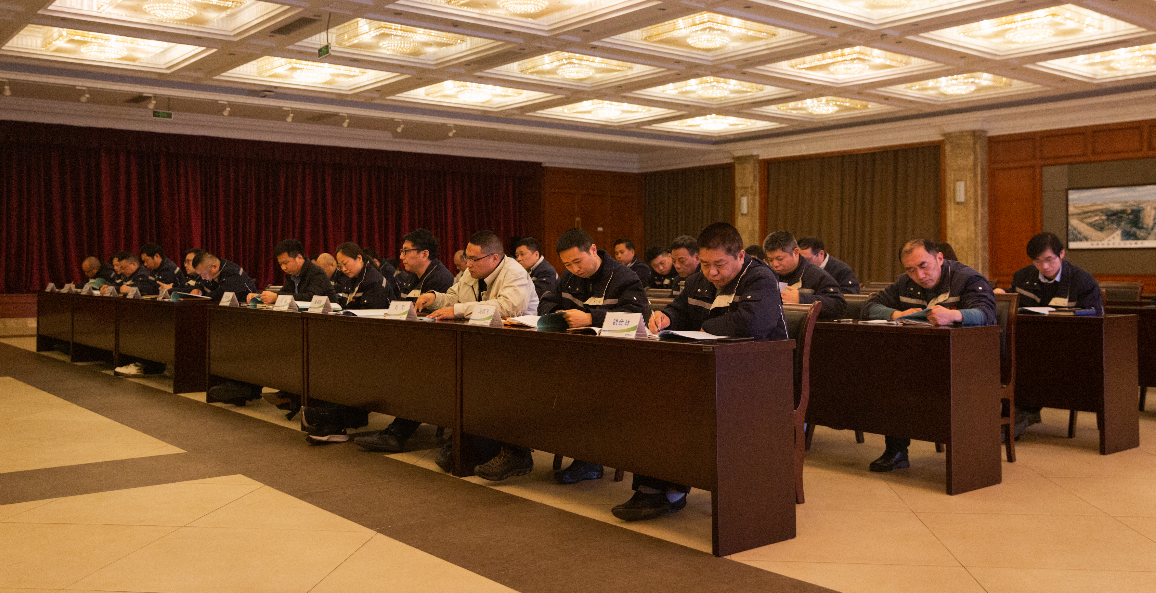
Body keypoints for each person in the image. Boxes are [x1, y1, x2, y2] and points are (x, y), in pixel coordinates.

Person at [629, 222, 787, 521]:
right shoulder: (698, 280)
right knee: (654, 399)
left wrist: (703, 327)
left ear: (740, 256)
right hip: (710, 371)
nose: (711, 272)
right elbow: (679, 309)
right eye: (704, 264)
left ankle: (671, 489)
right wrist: (666, 318)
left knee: (679, 407)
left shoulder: (760, 278)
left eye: (719, 265)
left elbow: (753, 323)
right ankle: (655, 487)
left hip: (758, 377)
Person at [863, 239, 996, 472]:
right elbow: (869, 307)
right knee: (889, 377)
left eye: (924, 266)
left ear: (940, 258)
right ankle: (896, 451)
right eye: (911, 269)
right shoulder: (904, 283)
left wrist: (954, 316)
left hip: (965, 363)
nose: (919, 275)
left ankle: (969, 459)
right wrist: (897, 314)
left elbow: (986, 315)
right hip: (919, 359)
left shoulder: (967, 279)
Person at [415, 230, 538, 480]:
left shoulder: (514, 273)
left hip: (519, 351)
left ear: (494, 258)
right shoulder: (471, 275)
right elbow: (453, 297)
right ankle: (471, 442)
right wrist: (434, 298)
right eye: (467, 258)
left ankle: (516, 452)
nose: (468, 264)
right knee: (456, 378)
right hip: (481, 348)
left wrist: (458, 310)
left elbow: (508, 307)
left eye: (473, 259)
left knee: (493, 385)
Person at [539, 228, 648, 485]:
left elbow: (637, 316)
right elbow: (546, 301)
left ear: (593, 249)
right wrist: (558, 314)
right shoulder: (568, 278)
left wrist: (591, 318)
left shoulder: (624, 277)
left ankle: (589, 460)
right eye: (567, 264)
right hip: (575, 357)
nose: (574, 269)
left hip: (616, 362)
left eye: (578, 261)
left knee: (583, 393)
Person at [353, 228, 457, 454]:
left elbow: (435, 324)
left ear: (424, 254)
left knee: (416, 374)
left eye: (406, 251)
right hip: (412, 342)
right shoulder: (411, 277)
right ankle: (349, 414)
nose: (401, 256)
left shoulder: (441, 278)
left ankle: (396, 434)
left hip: (437, 350)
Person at [1007, 231, 1104, 437]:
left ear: (1062, 254)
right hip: (1030, 344)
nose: (1044, 267)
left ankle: (1024, 410)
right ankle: (1019, 410)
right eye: (1037, 261)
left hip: (1071, 347)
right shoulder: (1022, 277)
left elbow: (1096, 321)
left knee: (1039, 363)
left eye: (1049, 259)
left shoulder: (1082, 281)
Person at [762, 231, 846, 320]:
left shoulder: (817, 275)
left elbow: (839, 306)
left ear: (795, 252)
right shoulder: (766, 276)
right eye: (770, 260)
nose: (775, 264)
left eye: (780, 259)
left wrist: (801, 299)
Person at [253, 239, 337, 305]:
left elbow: (311, 298)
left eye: (285, 263)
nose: (283, 268)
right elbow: (284, 293)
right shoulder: (292, 275)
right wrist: (261, 296)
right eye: (280, 264)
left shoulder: (317, 273)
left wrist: (277, 297)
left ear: (299, 258)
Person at [333, 243, 398, 310]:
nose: (343, 269)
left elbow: (369, 313)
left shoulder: (373, 281)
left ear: (359, 258)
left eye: (345, 264)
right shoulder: (350, 278)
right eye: (340, 266)